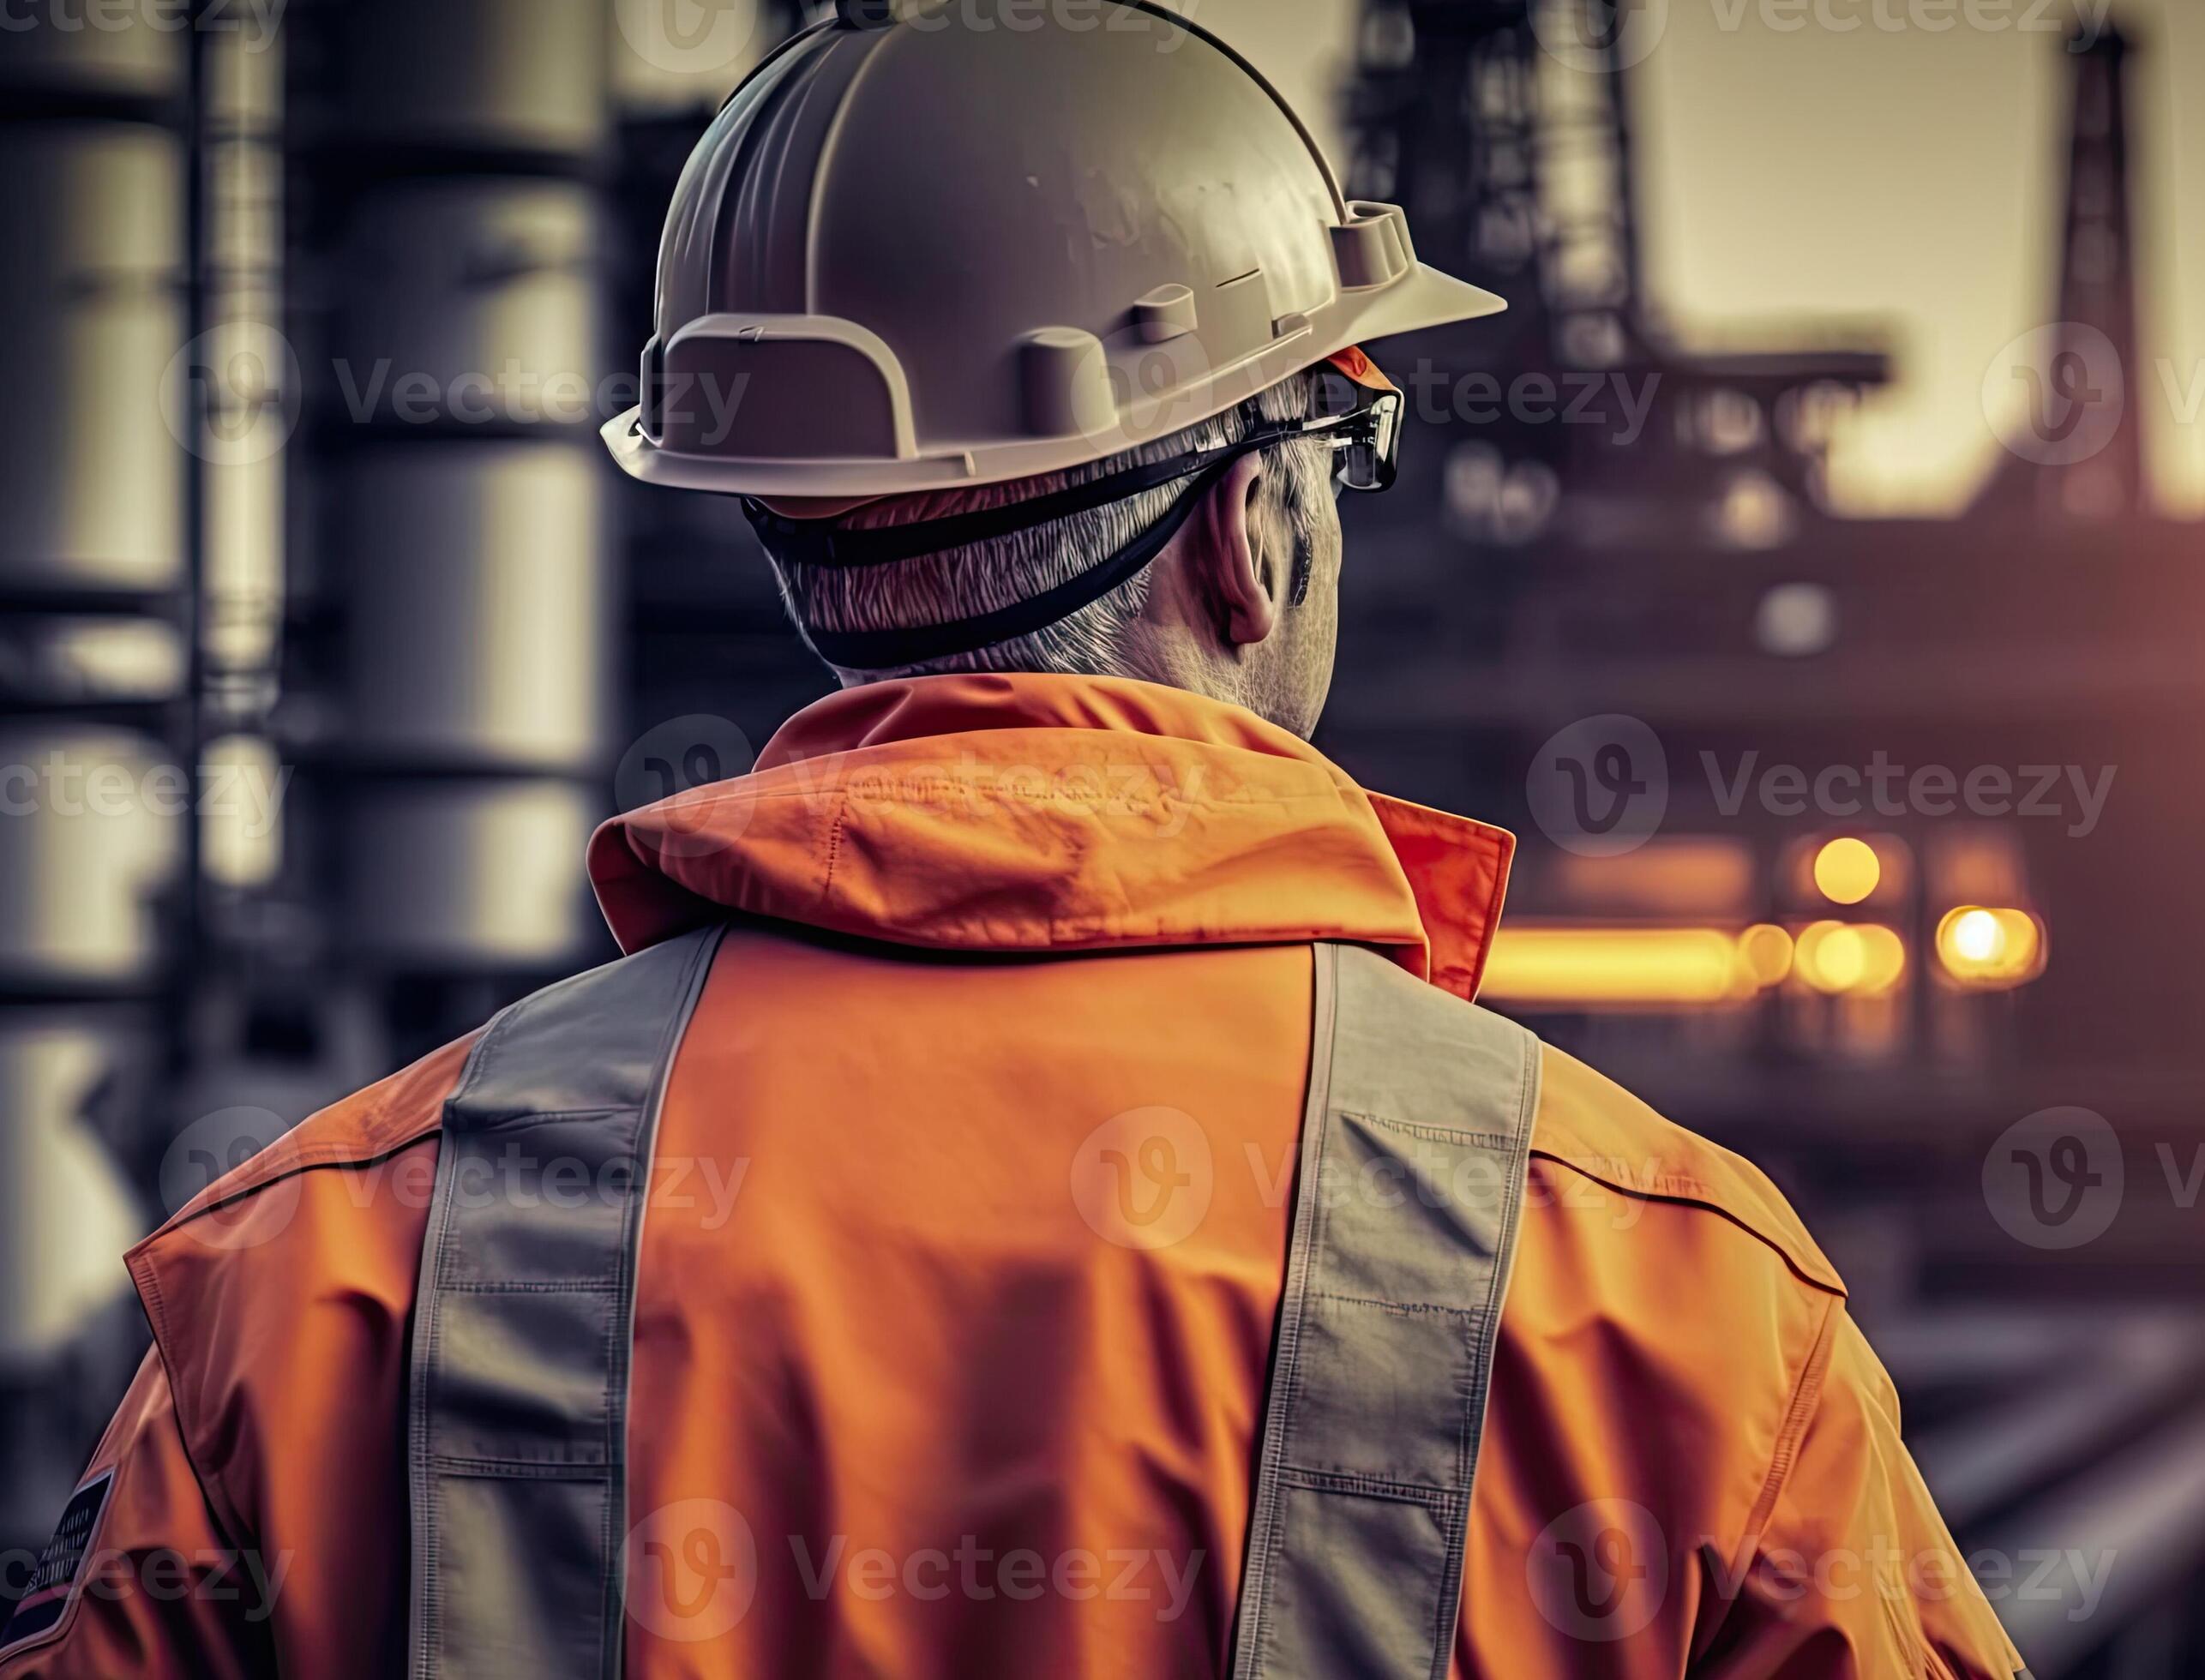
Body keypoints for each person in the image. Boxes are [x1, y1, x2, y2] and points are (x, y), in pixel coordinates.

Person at [1, 5, 2025, 1675]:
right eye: (1347, 436)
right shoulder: (1662, 1289)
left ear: (794, 534)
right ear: (1253, 526)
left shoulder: (324, 1271)